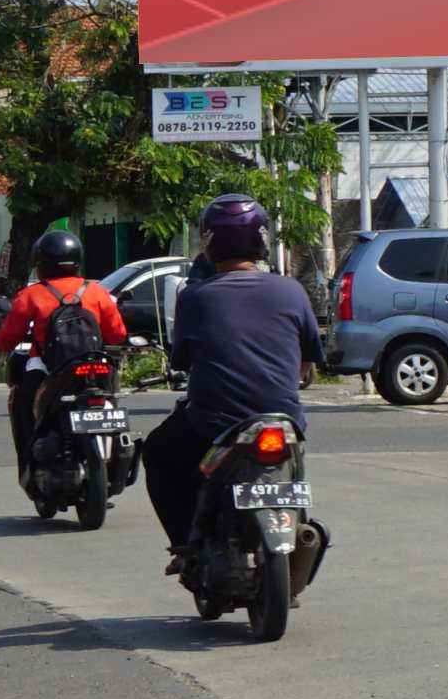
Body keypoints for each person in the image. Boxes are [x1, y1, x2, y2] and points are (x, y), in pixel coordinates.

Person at [139, 195, 324, 569]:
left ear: (210, 242)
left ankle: (185, 546)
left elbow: (182, 360)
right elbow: (307, 360)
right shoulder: (291, 290)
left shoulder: (195, 297)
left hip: (214, 423)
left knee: (158, 452)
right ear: (262, 239)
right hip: (284, 420)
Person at [0, 228, 128, 468]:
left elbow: (7, 339)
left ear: (40, 263)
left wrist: (0, 339)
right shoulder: (97, 292)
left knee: (23, 401)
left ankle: (29, 462)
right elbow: (117, 335)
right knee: (112, 398)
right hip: (95, 365)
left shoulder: (31, 295)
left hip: (47, 367)